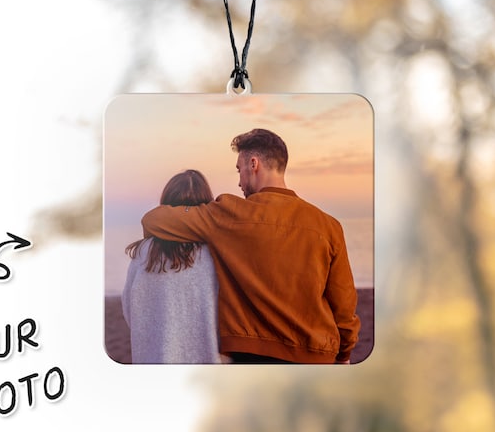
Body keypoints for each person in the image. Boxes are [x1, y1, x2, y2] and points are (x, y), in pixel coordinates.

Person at [141, 128, 360, 364]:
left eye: (239, 170)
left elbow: (153, 220)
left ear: (253, 164)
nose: (239, 182)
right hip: (317, 357)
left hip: (253, 356)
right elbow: (344, 305)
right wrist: (344, 354)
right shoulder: (328, 226)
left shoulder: (228, 214)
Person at [122, 170, 222, 364]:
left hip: (152, 362)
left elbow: (129, 310)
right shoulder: (216, 253)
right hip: (206, 363)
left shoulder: (144, 252)